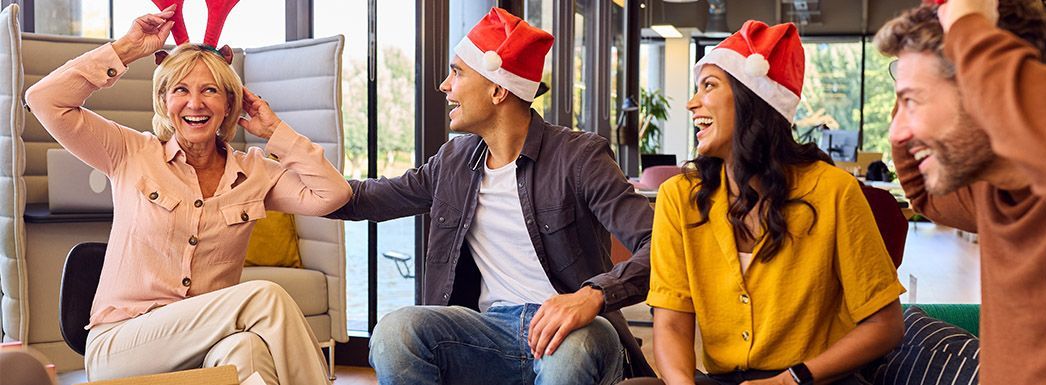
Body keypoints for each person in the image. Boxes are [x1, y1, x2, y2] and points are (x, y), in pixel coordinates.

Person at [325, 7, 654, 385]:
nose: (444, 86)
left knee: (570, 352)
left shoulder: (579, 156)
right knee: (395, 333)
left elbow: (659, 244)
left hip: (577, 331)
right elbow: (365, 198)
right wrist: (283, 147)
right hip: (490, 333)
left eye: (458, 72)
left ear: (498, 90)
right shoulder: (453, 161)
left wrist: (592, 296)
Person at [24, 5, 350, 385]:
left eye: (209, 90)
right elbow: (44, 99)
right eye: (181, 89)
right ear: (164, 101)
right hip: (123, 343)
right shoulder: (130, 152)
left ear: (230, 103)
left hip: (205, 344)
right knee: (265, 297)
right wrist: (127, 49)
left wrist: (275, 129)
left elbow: (332, 194)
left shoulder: (255, 173)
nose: (195, 103)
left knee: (248, 350)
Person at [622, 20, 905, 385]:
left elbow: (886, 325)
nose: (692, 103)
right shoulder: (679, 197)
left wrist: (791, 379)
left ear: (752, 99)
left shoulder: (835, 190)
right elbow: (672, 322)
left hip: (812, 379)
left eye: (708, 86)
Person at [876, 0, 1046, 383]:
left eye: (913, 101)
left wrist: (968, 26)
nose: (896, 133)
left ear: (982, 91)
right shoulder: (993, 191)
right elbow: (923, 194)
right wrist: (907, 94)